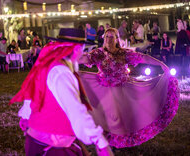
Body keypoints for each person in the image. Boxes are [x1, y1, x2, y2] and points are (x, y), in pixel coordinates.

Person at [9, 28, 114, 156]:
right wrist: (100, 142)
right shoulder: (61, 72)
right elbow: (76, 110)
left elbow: (33, 91)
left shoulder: (50, 64)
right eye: (82, 48)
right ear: (76, 49)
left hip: (39, 142)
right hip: (50, 146)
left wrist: (26, 115)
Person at [78, 28, 179, 148]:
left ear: (117, 39)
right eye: (106, 37)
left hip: (123, 89)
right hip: (104, 89)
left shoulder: (123, 53)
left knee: (125, 116)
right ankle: (108, 144)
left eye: (111, 37)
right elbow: (84, 58)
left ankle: (118, 142)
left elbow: (143, 57)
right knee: (109, 118)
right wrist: (69, 57)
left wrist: (161, 64)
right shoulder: (98, 53)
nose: (108, 39)